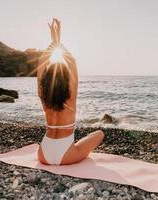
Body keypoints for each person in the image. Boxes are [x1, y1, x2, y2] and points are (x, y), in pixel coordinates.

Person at [37, 18, 104, 165]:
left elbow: (42, 61)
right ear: (66, 79)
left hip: (43, 154)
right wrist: (58, 41)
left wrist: (53, 41)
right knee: (99, 134)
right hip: (66, 155)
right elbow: (72, 61)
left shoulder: (43, 96)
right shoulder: (70, 97)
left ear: (47, 80)